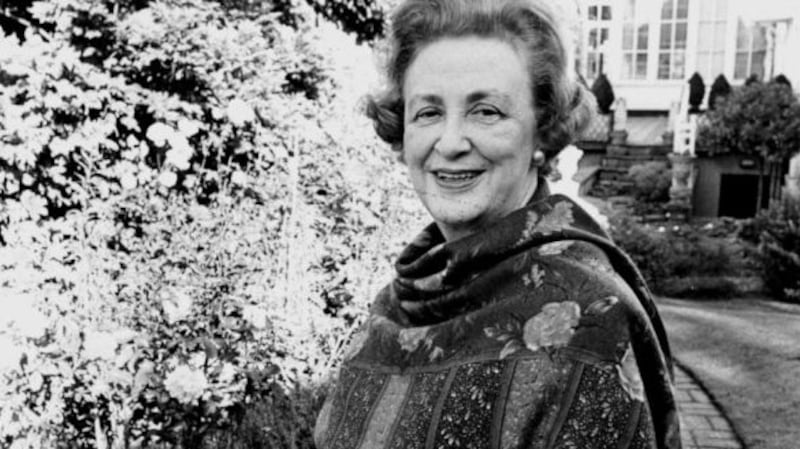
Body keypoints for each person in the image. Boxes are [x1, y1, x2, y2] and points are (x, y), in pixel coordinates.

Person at [315, 0, 681, 447]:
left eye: (486, 111)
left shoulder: (589, 317)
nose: (449, 143)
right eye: (428, 112)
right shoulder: (402, 300)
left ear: (543, 132)